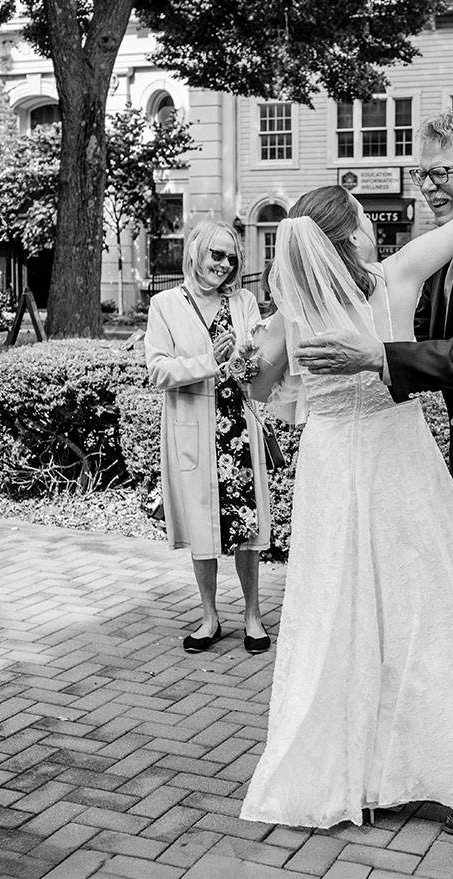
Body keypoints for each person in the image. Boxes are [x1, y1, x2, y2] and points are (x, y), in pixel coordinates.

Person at [238, 176, 453, 833]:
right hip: (398, 464)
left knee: (344, 619)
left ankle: (366, 773)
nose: (373, 229)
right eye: (363, 219)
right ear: (351, 234)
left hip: (332, 469)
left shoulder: (290, 306)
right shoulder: (394, 278)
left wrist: (256, 365)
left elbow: (258, 386)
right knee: (438, 618)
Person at [144, 219, 272, 656]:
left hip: (238, 428)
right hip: (195, 428)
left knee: (246, 526)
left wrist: (250, 361)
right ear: (195, 252)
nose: (225, 264)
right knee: (204, 524)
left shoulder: (245, 301)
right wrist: (208, 361)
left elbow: (256, 363)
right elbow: (158, 369)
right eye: (217, 254)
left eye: (232, 257)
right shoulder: (165, 304)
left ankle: (253, 616)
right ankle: (210, 617)